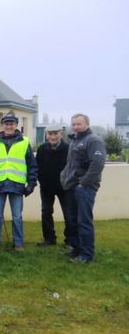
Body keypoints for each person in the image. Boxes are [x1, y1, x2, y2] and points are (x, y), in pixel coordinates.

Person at [0, 112, 37, 251]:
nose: (9, 126)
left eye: (11, 123)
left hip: (16, 184)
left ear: (16, 125)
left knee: (17, 217)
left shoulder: (24, 142)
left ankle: (18, 243)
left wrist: (31, 184)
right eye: (6, 123)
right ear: (3, 125)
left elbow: (32, 164)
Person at [60, 113, 106, 263]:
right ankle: (76, 249)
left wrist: (84, 183)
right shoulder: (75, 139)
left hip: (84, 188)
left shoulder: (93, 140)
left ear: (87, 124)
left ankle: (86, 255)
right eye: (73, 124)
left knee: (83, 221)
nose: (76, 126)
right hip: (72, 186)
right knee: (73, 220)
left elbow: (97, 164)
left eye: (79, 124)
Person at [35, 125, 75, 247]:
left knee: (69, 215)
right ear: (46, 135)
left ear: (61, 134)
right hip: (46, 188)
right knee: (46, 212)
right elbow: (37, 167)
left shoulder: (69, 149)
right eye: (50, 134)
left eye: (55, 134)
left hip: (65, 188)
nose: (52, 136)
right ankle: (49, 239)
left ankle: (70, 241)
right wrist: (41, 181)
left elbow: (73, 168)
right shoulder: (42, 149)